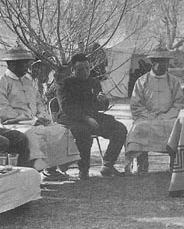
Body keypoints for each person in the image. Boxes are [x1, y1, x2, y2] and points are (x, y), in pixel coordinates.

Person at [0, 46, 80, 180]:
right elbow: (3, 109)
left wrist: (42, 116)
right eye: (24, 63)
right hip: (14, 124)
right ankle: (32, 174)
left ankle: (50, 169)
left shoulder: (28, 80)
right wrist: (30, 120)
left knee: (60, 130)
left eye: (27, 63)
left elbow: (39, 102)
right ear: (12, 64)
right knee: (32, 135)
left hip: (35, 120)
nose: (27, 66)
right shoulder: (2, 82)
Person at [57, 53, 127, 180]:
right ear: (72, 70)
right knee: (83, 132)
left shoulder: (93, 82)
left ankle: (108, 165)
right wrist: (85, 118)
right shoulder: (64, 84)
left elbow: (101, 107)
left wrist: (103, 101)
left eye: (87, 69)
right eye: (80, 70)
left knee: (119, 128)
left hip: (92, 117)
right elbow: (66, 107)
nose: (85, 72)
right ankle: (84, 169)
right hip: (71, 118)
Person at [125, 49, 184, 175]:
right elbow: (136, 104)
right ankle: (142, 163)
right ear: (152, 62)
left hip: (168, 118)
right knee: (139, 128)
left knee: (176, 128)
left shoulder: (173, 81)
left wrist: (166, 116)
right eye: (158, 61)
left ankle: (174, 163)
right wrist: (150, 116)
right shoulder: (142, 81)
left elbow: (179, 103)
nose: (162, 64)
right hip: (146, 118)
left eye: (164, 61)